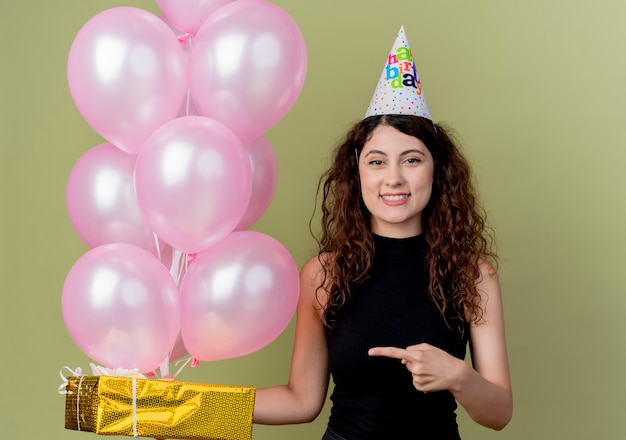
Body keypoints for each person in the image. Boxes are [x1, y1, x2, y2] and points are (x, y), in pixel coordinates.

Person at [252, 26, 512, 439]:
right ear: (356, 173)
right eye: (377, 161)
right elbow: (301, 401)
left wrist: (458, 375)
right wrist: (178, 408)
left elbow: (498, 413)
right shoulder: (323, 274)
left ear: (437, 170)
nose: (393, 178)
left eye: (411, 159)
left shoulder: (472, 274)